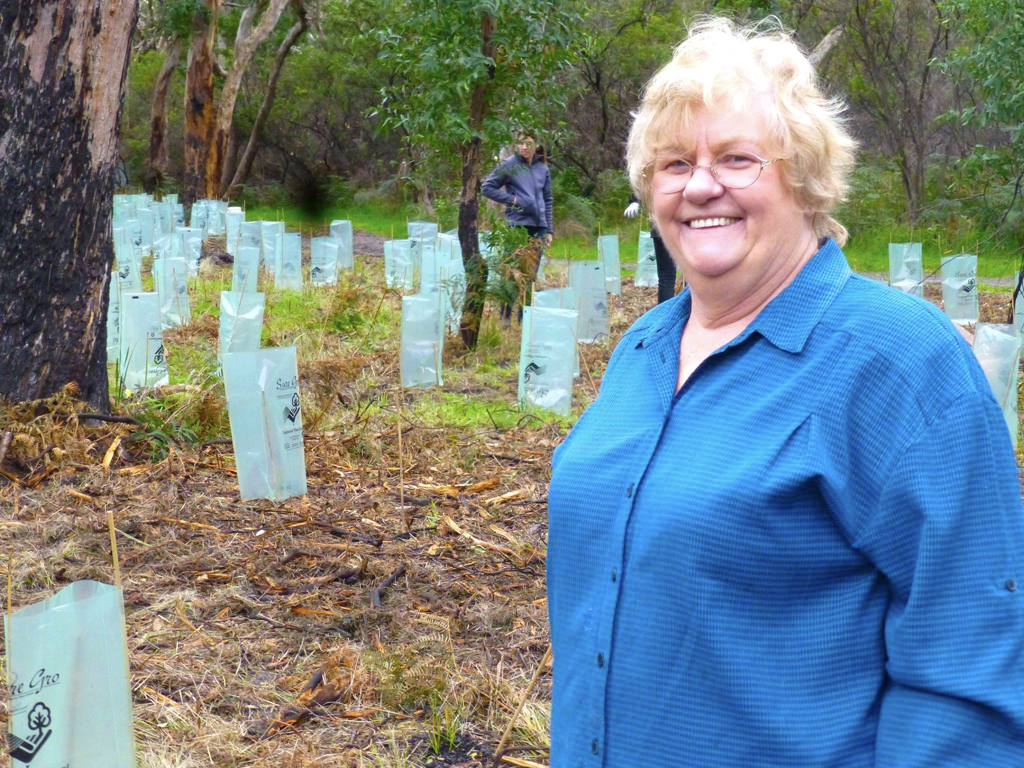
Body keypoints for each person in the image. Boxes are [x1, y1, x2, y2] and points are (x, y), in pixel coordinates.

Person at [546, 17, 1024, 768]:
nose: (701, 185)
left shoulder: (900, 363)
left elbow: (965, 672)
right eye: (675, 163)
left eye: (737, 159)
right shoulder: (642, 350)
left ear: (802, 178)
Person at [482, 133, 553, 319]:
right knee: (512, 273)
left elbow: (547, 199)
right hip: (517, 226)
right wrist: (513, 200)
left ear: (536, 145)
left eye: (529, 143)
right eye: (521, 143)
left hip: (538, 228)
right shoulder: (510, 165)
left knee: (530, 275)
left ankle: (524, 317)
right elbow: (487, 187)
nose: (525, 147)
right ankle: (504, 315)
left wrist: (549, 230)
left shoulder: (542, 168)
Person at [624, 194, 676, 303]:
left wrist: (636, 201)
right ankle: (665, 315)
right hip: (663, 225)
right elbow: (643, 180)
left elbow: (644, 180)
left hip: (678, 223)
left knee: (688, 276)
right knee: (667, 277)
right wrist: (636, 201)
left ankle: (688, 312)